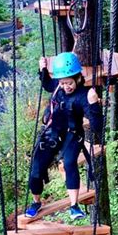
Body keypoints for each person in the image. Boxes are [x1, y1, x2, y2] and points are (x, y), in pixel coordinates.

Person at [25, 52, 102, 220]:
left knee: (69, 163)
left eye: (69, 83)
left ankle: (74, 206)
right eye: (62, 83)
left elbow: (98, 126)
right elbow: (47, 84)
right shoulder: (58, 87)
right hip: (53, 132)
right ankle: (36, 202)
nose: (66, 86)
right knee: (36, 168)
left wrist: (94, 104)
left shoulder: (84, 95)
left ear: (78, 78)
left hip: (72, 135)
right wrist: (43, 69)